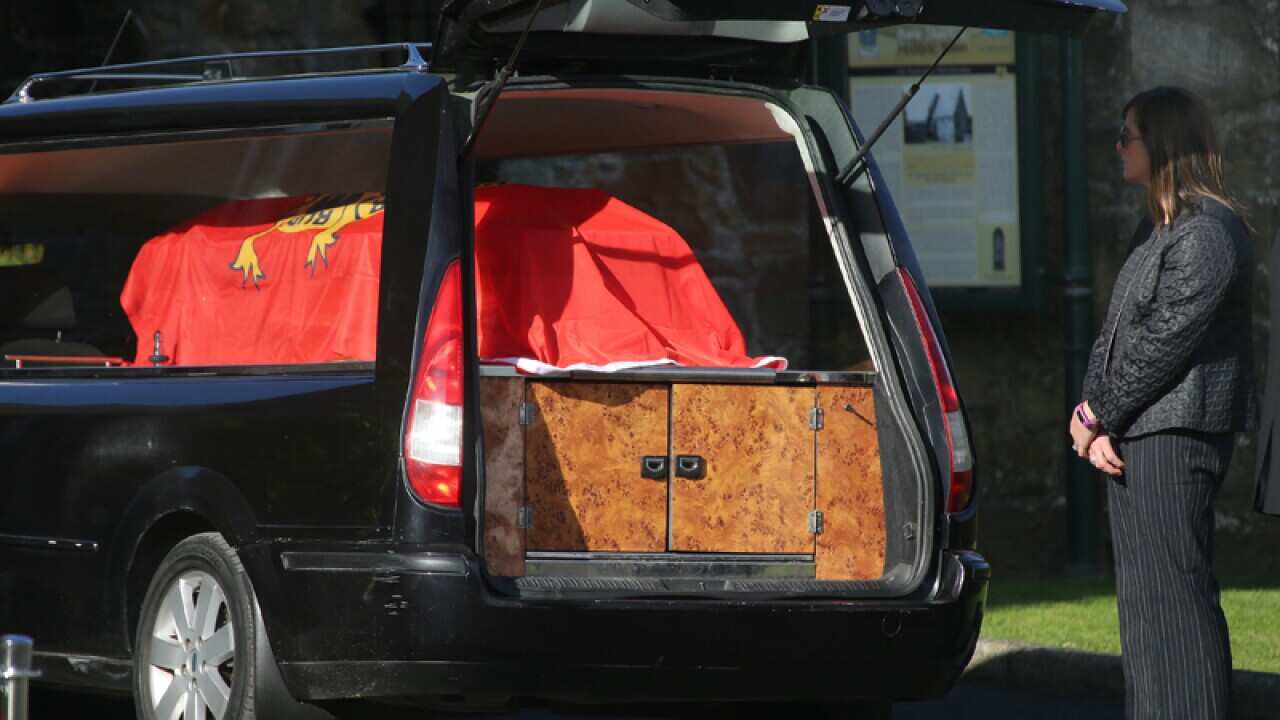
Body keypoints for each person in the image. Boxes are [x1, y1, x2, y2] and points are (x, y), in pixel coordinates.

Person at [1070, 86, 1257, 719]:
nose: (1119, 146)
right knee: (1145, 608)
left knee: (1176, 601)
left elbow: (1165, 342)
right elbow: (1116, 331)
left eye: (1128, 135)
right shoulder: (1156, 228)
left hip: (1178, 436)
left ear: (1164, 143)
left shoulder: (1208, 233)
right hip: (1135, 433)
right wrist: (1091, 417)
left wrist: (1098, 415)